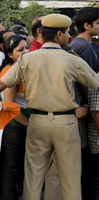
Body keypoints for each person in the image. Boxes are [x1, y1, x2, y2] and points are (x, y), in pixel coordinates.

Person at [0, 14, 99, 200]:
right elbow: (95, 82)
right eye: (67, 33)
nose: (69, 36)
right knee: (69, 177)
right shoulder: (72, 59)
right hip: (66, 123)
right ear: (59, 35)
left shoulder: (26, 59)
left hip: (37, 121)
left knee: (33, 176)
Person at [0, 34, 29, 200]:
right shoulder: (10, 72)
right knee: (10, 168)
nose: (26, 51)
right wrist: (29, 123)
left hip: (19, 124)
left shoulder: (21, 67)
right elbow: (9, 106)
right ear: (9, 54)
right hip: (13, 125)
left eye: (26, 47)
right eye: (20, 49)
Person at [70, 7, 99, 200]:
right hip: (84, 113)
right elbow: (85, 84)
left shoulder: (81, 44)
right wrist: (90, 109)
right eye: (97, 23)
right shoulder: (84, 47)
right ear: (87, 25)